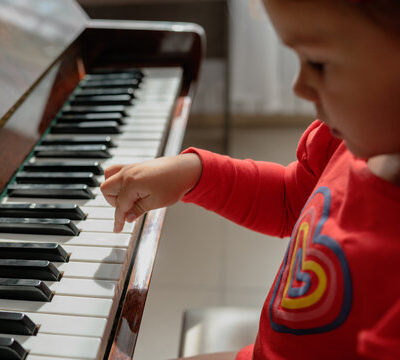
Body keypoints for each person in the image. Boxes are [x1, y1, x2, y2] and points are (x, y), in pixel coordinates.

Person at [100, 0, 400, 359]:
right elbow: (292, 200)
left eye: (319, 63)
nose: (300, 86)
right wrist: (193, 174)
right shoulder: (349, 140)